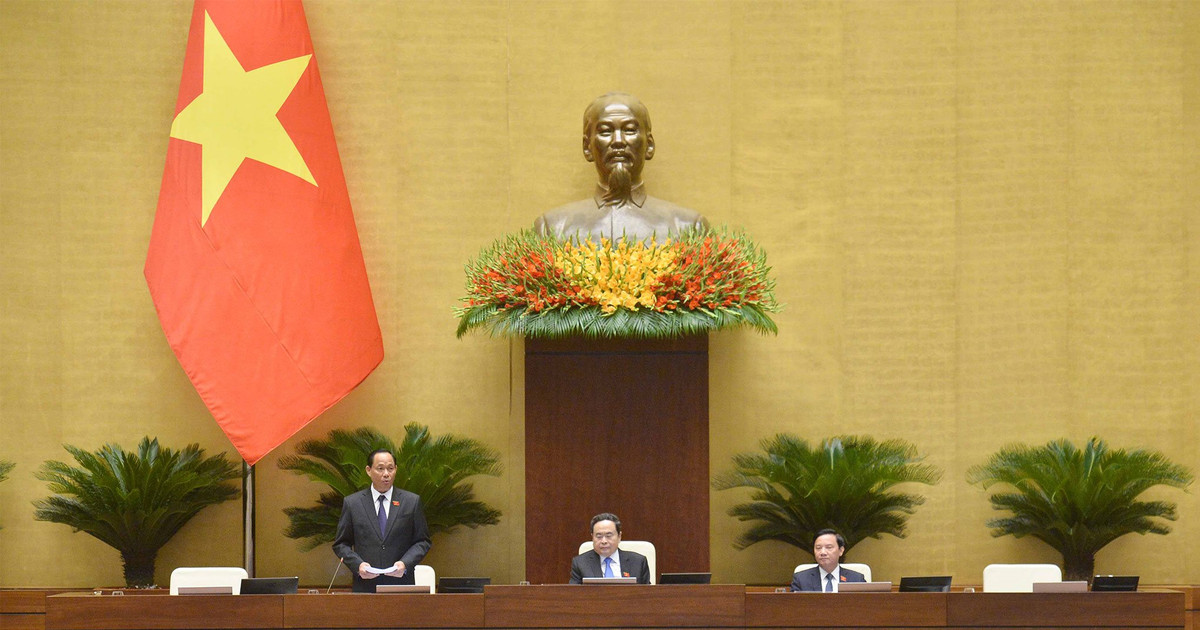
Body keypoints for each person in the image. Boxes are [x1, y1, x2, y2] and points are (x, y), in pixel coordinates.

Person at [534, 92, 709, 243]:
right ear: (587, 147)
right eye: (605, 131)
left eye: (630, 130)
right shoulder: (554, 228)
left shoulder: (688, 227)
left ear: (649, 145)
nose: (618, 141)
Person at [332, 448, 432, 593]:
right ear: (368, 470)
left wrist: (405, 563)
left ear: (396, 470)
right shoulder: (353, 503)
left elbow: (423, 541)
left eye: (390, 468)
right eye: (380, 468)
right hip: (365, 586)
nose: (386, 474)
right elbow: (341, 544)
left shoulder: (411, 501)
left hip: (401, 584)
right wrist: (358, 565)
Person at [569, 512, 651, 584]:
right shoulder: (581, 563)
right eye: (599, 536)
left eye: (609, 536)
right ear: (592, 537)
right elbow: (573, 595)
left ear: (619, 536)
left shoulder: (638, 562)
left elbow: (648, 595)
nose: (604, 541)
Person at [790, 528, 866, 592]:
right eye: (818, 548)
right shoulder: (801, 579)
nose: (823, 552)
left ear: (841, 550)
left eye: (829, 547)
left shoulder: (856, 579)